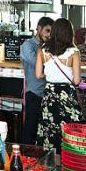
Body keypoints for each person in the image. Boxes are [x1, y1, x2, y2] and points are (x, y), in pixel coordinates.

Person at [35, 18, 82, 152]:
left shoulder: (43, 50)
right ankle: (69, 165)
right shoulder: (73, 52)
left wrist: (50, 74)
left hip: (49, 94)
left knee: (50, 132)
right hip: (67, 95)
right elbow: (77, 80)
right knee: (69, 132)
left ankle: (53, 166)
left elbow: (38, 75)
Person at [21, 16, 54, 145]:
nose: (49, 35)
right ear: (39, 29)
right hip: (34, 92)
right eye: (47, 30)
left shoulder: (50, 47)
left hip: (49, 93)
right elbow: (40, 65)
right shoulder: (28, 45)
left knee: (46, 130)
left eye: (52, 32)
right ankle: (26, 157)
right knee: (31, 127)